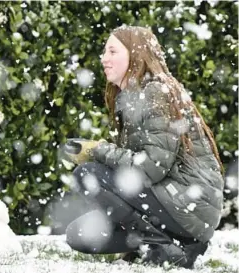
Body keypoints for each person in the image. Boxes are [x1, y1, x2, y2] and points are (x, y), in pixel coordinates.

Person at [64, 26, 224, 268]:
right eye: (104, 51)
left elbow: (151, 167)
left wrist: (97, 151)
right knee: (78, 233)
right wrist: (96, 154)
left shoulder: (155, 92)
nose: (104, 58)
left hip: (189, 208)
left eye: (112, 51)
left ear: (135, 55)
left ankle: (158, 245)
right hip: (173, 205)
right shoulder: (133, 97)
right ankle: (172, 247)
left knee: (88, 174)